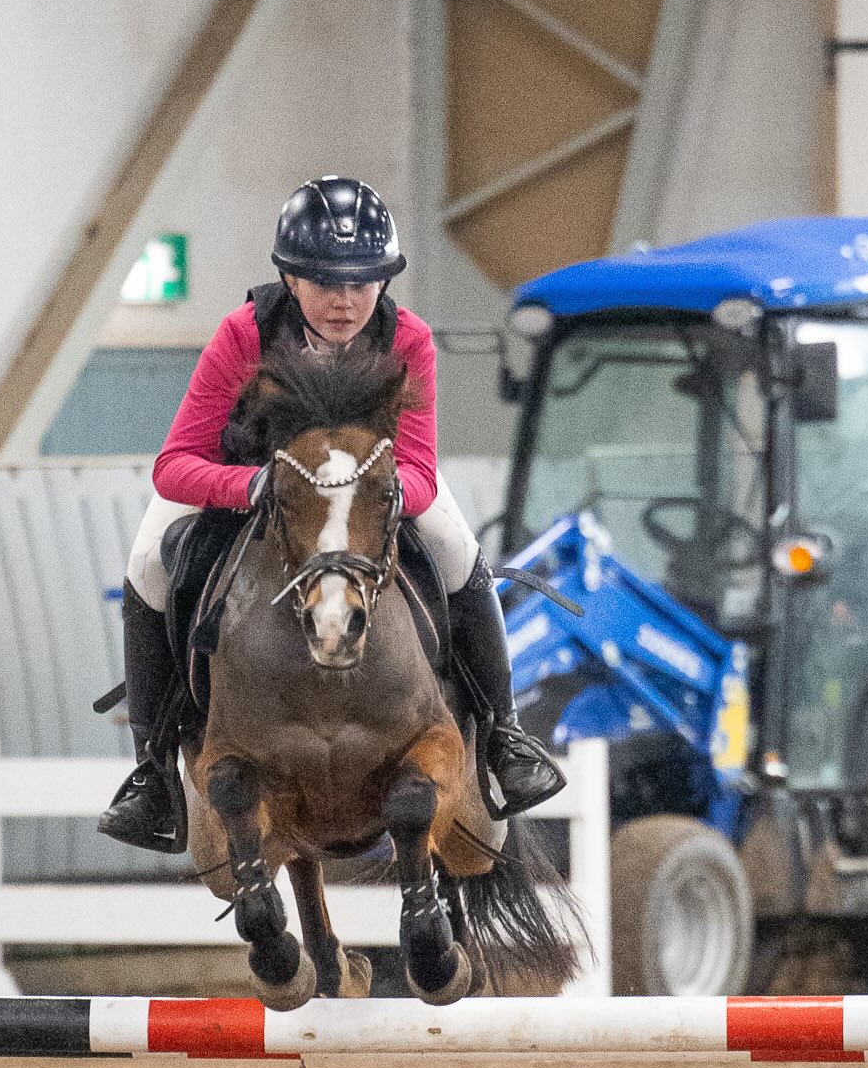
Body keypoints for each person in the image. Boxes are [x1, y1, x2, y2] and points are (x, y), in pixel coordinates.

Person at [100, 174, 563, 850]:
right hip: (247, 479)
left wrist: (383, 494)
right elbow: (174, 465)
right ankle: (152, 774)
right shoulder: (242, 335)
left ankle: (503, 734)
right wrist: (253, 488)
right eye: (325, 283)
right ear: (291, 280)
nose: (345, 302)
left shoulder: (407, 338)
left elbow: (423, 470)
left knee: (461, 552)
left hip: (368, 491)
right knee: (147, 563)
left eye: (362, 282)